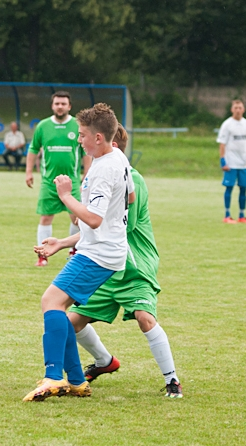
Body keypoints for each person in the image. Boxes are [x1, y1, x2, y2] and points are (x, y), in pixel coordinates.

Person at [23, 103, 134, 402]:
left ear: (98, 137)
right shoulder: (117, 156)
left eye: (82, 135)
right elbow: (129, 199)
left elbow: (95, 219)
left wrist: (66, 195)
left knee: (51, 301)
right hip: (100, 249)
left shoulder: (103, 169)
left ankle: (53, 376)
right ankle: (75, 380)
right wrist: (63, 242)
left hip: (98, 255)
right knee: (58, 305)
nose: (78, 140)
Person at [67, 124, 183, 399]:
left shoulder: (135, 180)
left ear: (111, 147)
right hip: (106, 266)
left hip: (134, 265)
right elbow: (93, 224)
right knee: (71, 322)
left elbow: (117, 226)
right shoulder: (96, 176)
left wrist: (80, 216)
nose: (85, 146)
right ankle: (104, 362)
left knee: (145, 318)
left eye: (88, 140)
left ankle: (172, 380)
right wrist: (63, 241)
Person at [25, 91, 92, 267]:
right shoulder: (43, 126)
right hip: (49, 182)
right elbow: (33, 149)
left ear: (69, 106)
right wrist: (28, 172)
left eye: (63, 104)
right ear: (52, 106)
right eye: (57, 103)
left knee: (78, 217)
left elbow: (86, 151)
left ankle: (74, 252)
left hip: (73, 181)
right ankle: (42, 255)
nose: (60, 106)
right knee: (46, 217)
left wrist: (87, 173)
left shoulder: (78, 126)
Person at [217, 99, 246, 224]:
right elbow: (222, 144)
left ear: (244, 109)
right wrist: (223, 161)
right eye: (236, 108)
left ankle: (241, 215)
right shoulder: (227, 124)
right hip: (231, 163)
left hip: (243, 163)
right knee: (229, 188)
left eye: (240, 108)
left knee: (243, 188)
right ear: (232, 109)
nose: (238, 110)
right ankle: (227, 215)